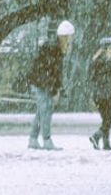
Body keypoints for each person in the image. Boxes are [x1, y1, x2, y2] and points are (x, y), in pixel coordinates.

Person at [27, 20, 74, 150]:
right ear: (64, 36)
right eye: (69, 37)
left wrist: (58, 87)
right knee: (46, 111)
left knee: (41, 112)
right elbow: (51, 71)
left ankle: (33, 139)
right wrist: (54, 89)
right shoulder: (54, 49)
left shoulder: (54, 48)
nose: (70, 41)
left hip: (41, 83)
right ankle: (46, 140)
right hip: (42, 85)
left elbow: (54, 72)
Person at [88, 37, 111, 150]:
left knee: (106, 118)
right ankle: (97, 136)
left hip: (98, 95)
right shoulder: (106, 60)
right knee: (110, 119)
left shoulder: (96, 59)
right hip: (105, 94)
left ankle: (106, 143)